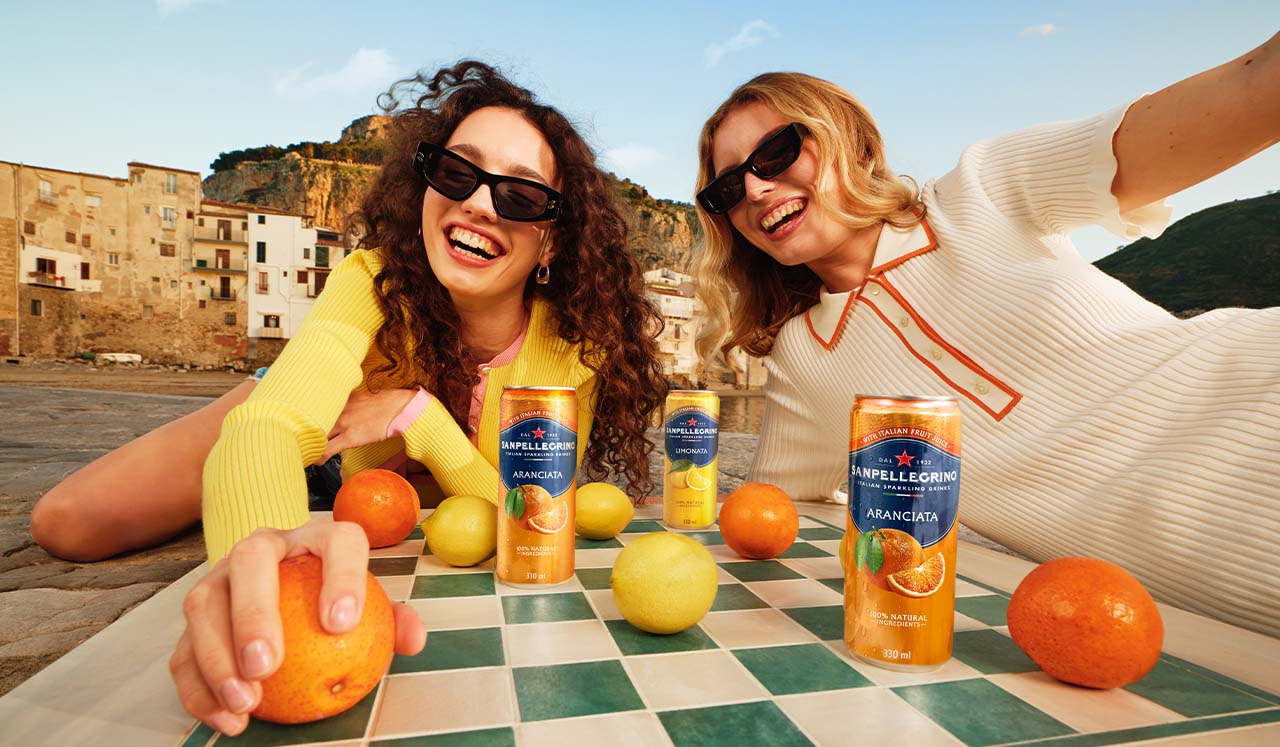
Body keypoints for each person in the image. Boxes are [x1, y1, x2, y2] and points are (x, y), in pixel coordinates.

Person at [49, 61, 664, 736]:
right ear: (424, 187)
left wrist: (417, 418)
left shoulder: (576, 351)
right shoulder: (370, 277)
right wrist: (268, 550)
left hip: (373, 474)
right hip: (324, 416)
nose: (481, 204)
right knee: (71, 522)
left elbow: (525, 514)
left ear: (549, 239)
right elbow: (276, 428)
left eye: (520, 195)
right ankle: (253, 394)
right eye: (459, 173)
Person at [692, 33, 1279, 637]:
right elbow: (774, 519)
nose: (756, 189)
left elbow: (1254, 87)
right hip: (1204, 628)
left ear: (849, 138)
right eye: (728, 190)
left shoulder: (983, 191)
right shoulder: (805, 358)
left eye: (775, 154)